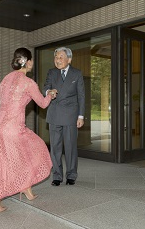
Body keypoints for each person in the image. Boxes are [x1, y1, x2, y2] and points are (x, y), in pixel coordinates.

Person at [0, 47, 56, 212]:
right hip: (13, 129)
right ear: (28, 61)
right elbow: (43, 104)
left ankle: (25, 188)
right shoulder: (28, 83)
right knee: (38, 149)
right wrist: (51, 94)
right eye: (31, 61)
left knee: (1, 164)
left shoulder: (5, 80)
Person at [43, 47, 85, 186]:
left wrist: (81, 116)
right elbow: (45, 88)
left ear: (69, 59)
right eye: (56, 57)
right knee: (55, 147)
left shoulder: (77, 74)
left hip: (70, 115)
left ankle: (71, 174)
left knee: (70, 147)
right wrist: (49, 92)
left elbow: (81, 96)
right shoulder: (52, 72)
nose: (58, 60)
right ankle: (57, 176)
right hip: (54, 114)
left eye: (61, 57)